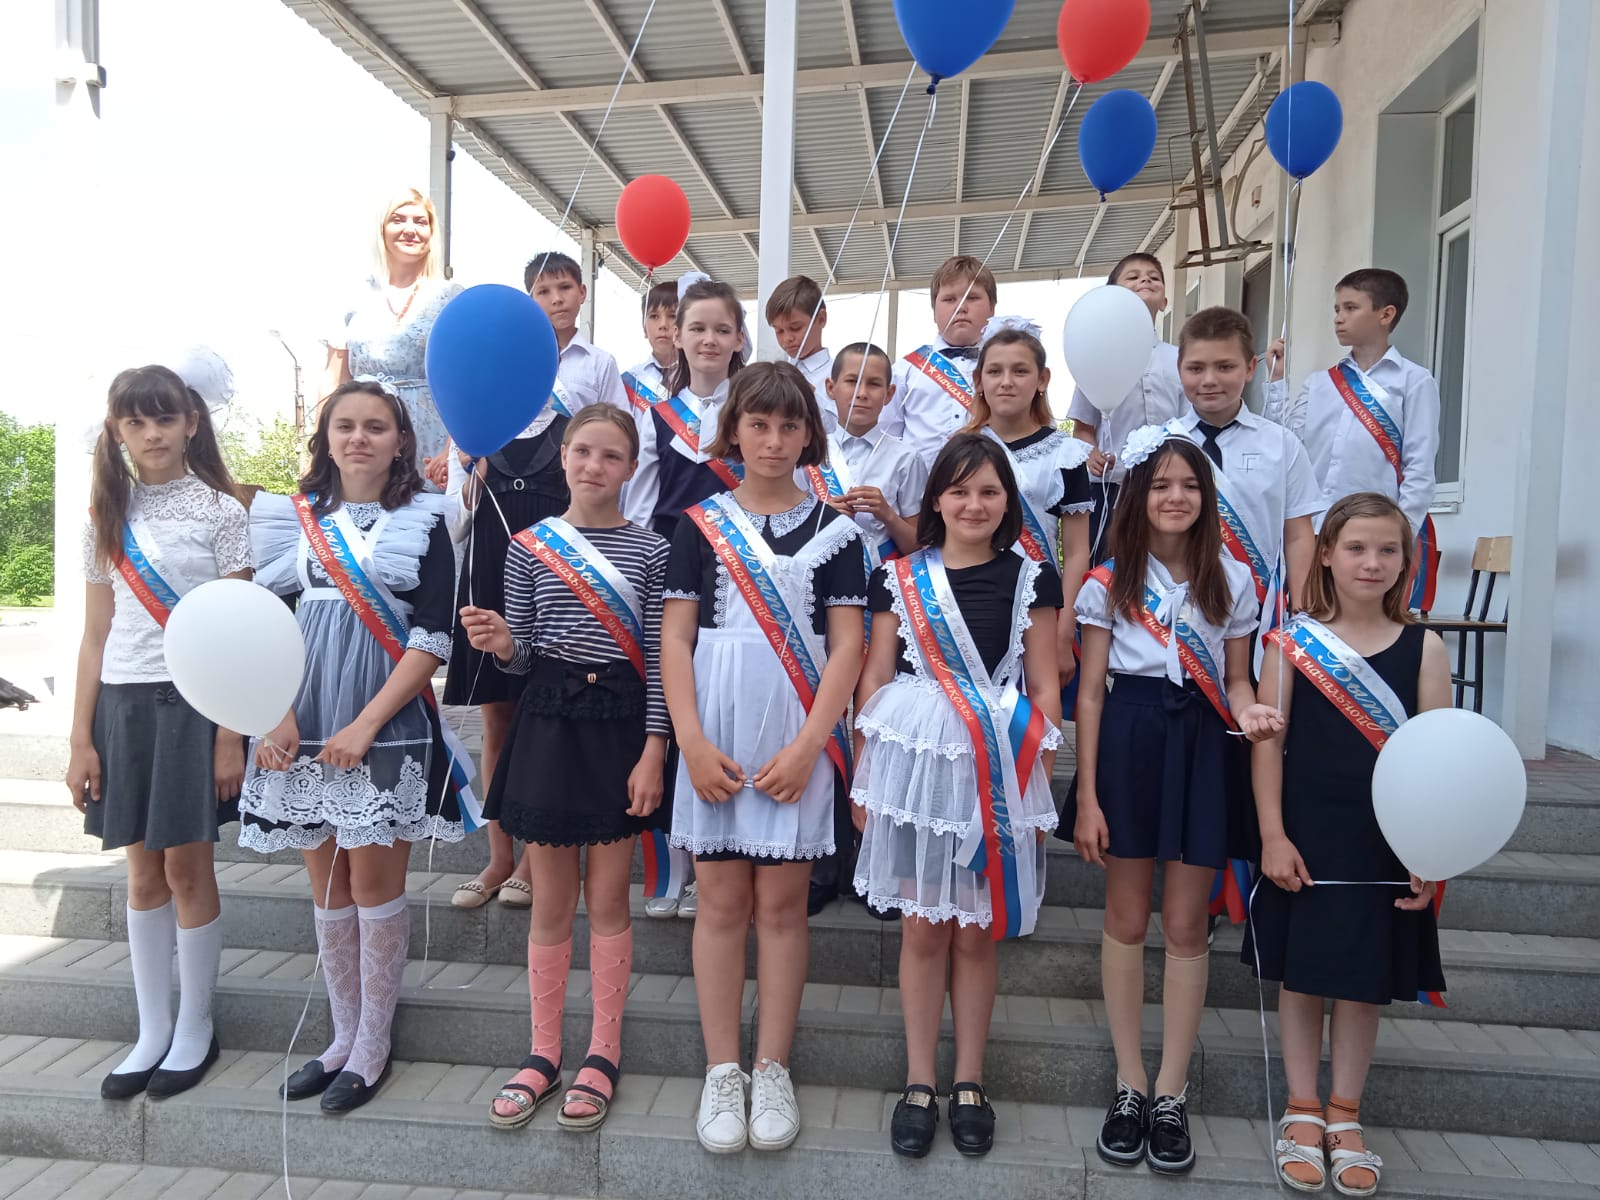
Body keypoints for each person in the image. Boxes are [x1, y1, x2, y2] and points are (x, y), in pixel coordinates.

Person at [242, 380, 474, 1114]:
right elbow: (263, 626)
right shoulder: (291, 519)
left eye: (376, 426)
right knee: (328, 888)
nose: (359, 438)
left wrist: (367, 724)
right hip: (302, 718)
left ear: (401, 439)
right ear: (327, 438)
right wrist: (274, 714)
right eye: (345, 425)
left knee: (373, 885)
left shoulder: (428, 517)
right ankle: (341, 1037)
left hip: (385, 718)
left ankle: (374, 1045)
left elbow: (433, 635)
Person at [659, 362, 866, 1155]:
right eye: (758, 424)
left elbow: (847, 647)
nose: (773, 440)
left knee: (781, 909)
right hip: (713, 735)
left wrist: (811, 747)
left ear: (809, 434)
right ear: (734, 431)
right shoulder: (698, 525)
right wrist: (690, 742)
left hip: (794, 738)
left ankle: (772, 1066)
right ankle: (722, 1070)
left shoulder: (838, 533)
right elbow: (676, 638)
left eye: (788, 425)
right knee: (718, 905)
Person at [1062, 429, 1278, 1175]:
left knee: (1187, 923)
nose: (1175, 496)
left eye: (1189, 484)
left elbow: (1238, 679)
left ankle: (1170, 1091)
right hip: (1130, 740)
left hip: (1203, 745)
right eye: (1160, 485)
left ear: (1206, 496)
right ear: (1137, 496)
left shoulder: (1233, 578)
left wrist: (1249, 712)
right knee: (1126, 917)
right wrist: (1087, 795)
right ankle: (1129, 1083)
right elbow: (1091, 694)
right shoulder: (1108, 581)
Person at [457, 405, 670, 1132]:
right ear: (563, 458)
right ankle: (544, 1052)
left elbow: (661, 663)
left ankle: (603, 1050)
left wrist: (655, 748)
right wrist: (501, 642)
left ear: (631, 468)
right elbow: (521, 657)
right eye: (581, 452)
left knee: (608, 898)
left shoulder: (652, 550)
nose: (593, 466)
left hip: (619, 726)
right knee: (550, 901)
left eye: (610, 456)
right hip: (548, 723)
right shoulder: (528, 546)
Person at [851, 433, 1063, 1159]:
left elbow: (1044, 687)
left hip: (996, 769)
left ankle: (969, 1080)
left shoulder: (1033, 578)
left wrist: (1032, 787)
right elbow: (875, 676)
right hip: (916, 771)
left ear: (1008, 502)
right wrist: (865, 777)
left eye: (989, 491)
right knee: (921, 929)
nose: (974, 504)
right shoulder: (898, 577)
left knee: (976, 932)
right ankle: (920, 1080)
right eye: (960, 490)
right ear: (936, 499)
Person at [1244, 492, 1451, 1196]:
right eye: (1357, 548)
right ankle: (1302, 1108)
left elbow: (1438, 758)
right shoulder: (1291, 644)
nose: (1372, 562)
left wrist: (1430, 849)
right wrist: (1272, 834)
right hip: (1307, 831)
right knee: (1304, 975)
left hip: (1385, 838)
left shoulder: (1426, 648)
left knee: (1363, 980)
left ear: (1406, 561)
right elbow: (1268, 749)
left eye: (1388, 550)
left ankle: (1345, 1114)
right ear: (1327, 554)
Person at [68, 364, 251, 1101]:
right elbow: (94, 636)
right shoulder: (104, 516)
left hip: (193, 706)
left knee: (187, 870)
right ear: (117, 429)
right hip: (122, 706)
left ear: (191, 423)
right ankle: (152, 1028)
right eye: (135, 421)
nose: (151, 434)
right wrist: (80, 739)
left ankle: (196, 1026)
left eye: (164, 418)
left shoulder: (222, 511)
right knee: (141, 874)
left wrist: (229, 734)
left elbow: (238, 632)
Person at [623, 274, 750, 919]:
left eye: (722, 329)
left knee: (721, 708)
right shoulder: (655, 416)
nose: (708, 339)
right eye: (696, 327)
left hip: (741, 575)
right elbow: (642, 508)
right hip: (676, 573)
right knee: (669, 713)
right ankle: (670, 870)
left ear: (739, 339)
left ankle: (716, 862)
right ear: (676, 335)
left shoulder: (754, 409)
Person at [799, 342, 926, 917]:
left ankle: (876, 865)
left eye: (875, 384)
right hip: (817, 606)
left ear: (891, 394)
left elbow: (922, 546)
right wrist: (825, 519)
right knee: (824, 721)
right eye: (851, 381)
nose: (862, 393)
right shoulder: (808, 455)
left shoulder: (906, 458)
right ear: (830, 388)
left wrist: (889, 516)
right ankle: (823, 862)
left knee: (876, 724)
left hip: (885, 608)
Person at [441, 396, 571, 911]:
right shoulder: (471, 427)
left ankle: (531, 862)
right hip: (488, 580)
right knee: (496, 720)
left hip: (550, 584)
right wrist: (471, 472)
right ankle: (498, 857)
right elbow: (453, 524)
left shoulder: (570, 429)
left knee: (540, 719)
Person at [1264, 269, 1440, 606]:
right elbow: (1284, 445)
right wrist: (1276, 382)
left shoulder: (1414, 381)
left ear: (1386, 314)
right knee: (1315, 617)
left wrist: (1400, 536)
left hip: (1374, 536)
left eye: (1350, 308)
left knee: (1367, 621)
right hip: (1315, 530)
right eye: (1336, 309)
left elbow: (1419, 467)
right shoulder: (1320, 383)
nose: (1339, 318)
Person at [1172, 307, 1321, 648]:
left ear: (1251, 367)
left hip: (1261, 610)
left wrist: (1302, 607)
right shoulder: (1160, 443)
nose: (1210, 380)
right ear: (1179, 369)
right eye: (1196, 368)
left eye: (1225, 367)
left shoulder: (1282, 444)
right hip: (1178, 612)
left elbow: (1298, 533)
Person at [962, 318, 1092, 687]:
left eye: (1020, 371)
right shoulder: (959, 449)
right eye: (995, 371)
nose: (1007, 381)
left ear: (1042, 379)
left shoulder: (1066, 454)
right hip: (971, 602)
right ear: (979, 380)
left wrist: (1064, 631)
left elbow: (1077, 552)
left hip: (1039, 608)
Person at [324, 187, 464, 484]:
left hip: (432, 443)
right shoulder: (354, 296)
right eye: (398, 219)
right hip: (363, 438)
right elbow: (334, 381)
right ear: (382, 229)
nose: (410, 229)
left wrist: (453, 449)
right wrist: (325, 450)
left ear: (431, 233)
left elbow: (464, 382)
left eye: (420, 222)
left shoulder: (451, 298)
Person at [1067, 254, 1188, 563]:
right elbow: (1083, 428)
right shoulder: (1095, 356)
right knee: (1109, 567)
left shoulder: (1181, 360)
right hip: (1111, 487)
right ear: (1113, 296)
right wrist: (1090, 454)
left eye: (1154, 277)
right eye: (1132, 277)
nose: (1145, 280)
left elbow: (1191, 422)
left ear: (1165, 301)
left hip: (1171, 487)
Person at [880, 256, 999, 468]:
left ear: (992, 309)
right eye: (949, 299)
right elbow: (886, 439)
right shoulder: (905, 371)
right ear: (934, 312)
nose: (961, 307)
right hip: (920, 486)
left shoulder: (1007, 369)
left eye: (972, 297)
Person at [525, 252, 630, 416]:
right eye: (544, 291)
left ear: (582, 292)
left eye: (565, 287)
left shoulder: (601, 363)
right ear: (531, 301)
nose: (557, 299)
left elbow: (620, 423)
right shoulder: (518, 358)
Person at [766, 274, 837, 432]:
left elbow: (840, 430)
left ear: (821, 319)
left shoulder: (840, 376)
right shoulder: (774, 375)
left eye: (795, 328)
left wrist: (809, 395)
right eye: (779, 331)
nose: (787, 338)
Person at [621, 278, 683, 416]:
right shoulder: (628, 381)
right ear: (644, 327)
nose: (663, 325)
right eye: (654, 316)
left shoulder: (699, 379)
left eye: (672, 316)